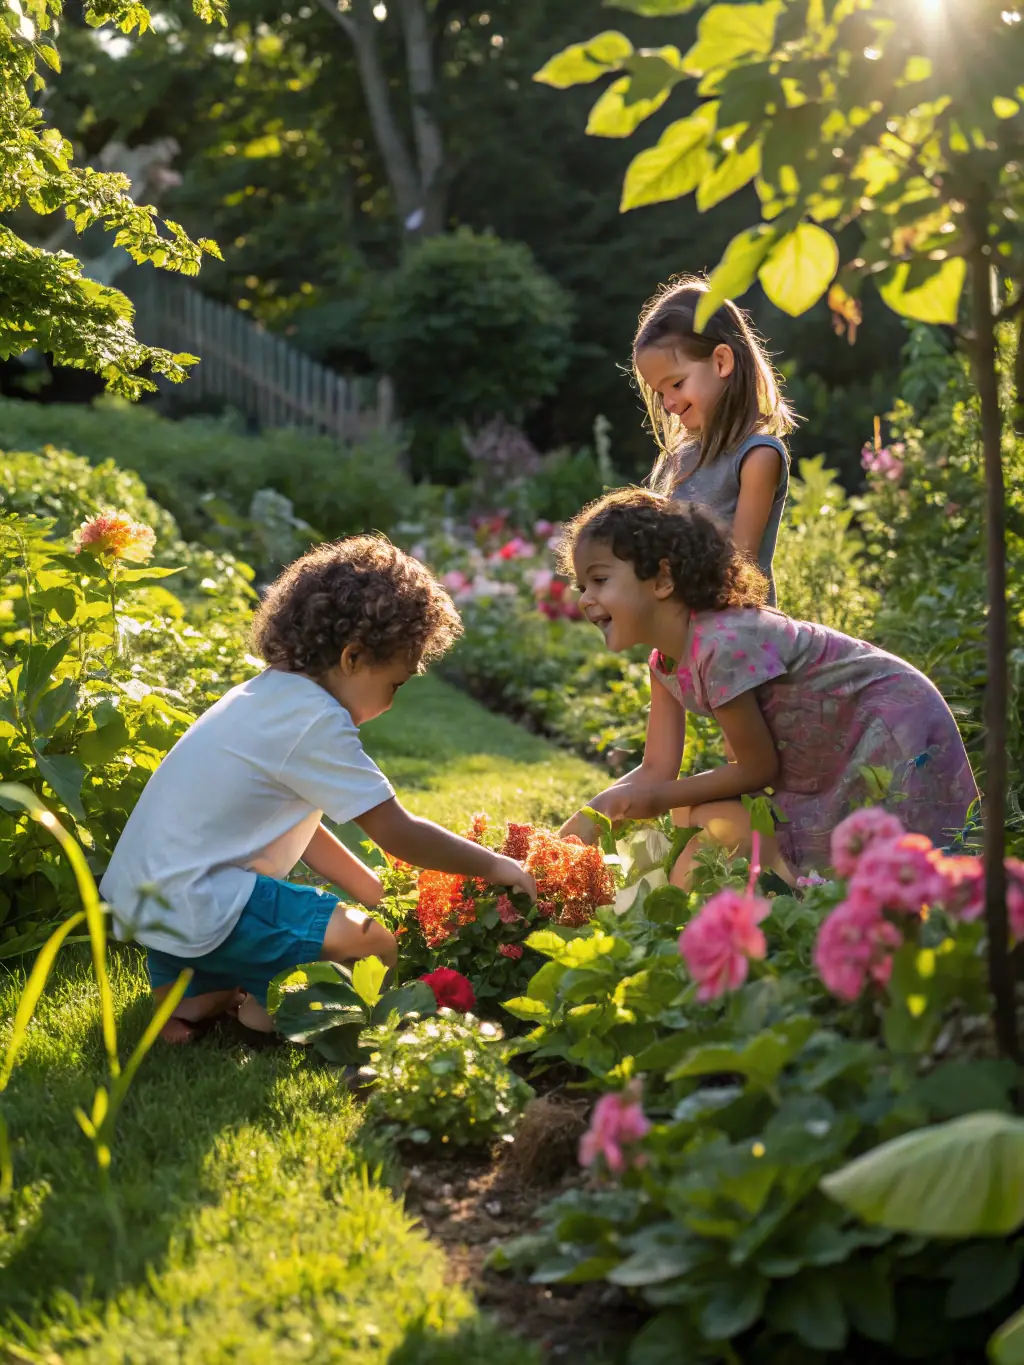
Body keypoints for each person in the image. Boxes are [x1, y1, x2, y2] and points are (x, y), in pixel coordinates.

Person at [101, 535, 537, 1043]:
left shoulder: (265, 694)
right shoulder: (315, 719)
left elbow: (293, 828)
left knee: (257, 962)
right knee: (374, 944)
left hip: (150, 902)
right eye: (394, 684)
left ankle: (189, 1002)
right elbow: (397, 830)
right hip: (205, 900)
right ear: (352, 657)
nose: (393, 703)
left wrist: (372, 890)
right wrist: (494, 864)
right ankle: (297, 1022)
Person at [557, 489, 979, 884]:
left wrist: (657, 799)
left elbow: (757, 769)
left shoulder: (719, 645)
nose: (585, 599)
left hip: (885, 718)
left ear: (663, 581)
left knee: (905, 872)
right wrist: (586, 821)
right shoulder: (665, 664)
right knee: (696, 811)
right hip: (828, 741)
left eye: (600, 580)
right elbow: (656, 769)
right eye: (582, 586)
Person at [634, 275, 796, 606]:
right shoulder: (678, 457)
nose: (668, 404)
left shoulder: (757, 456)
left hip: (737, 636)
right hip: (683, 633)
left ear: (721, 361)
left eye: (676, 385)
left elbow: (740, 572)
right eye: (660, 393)